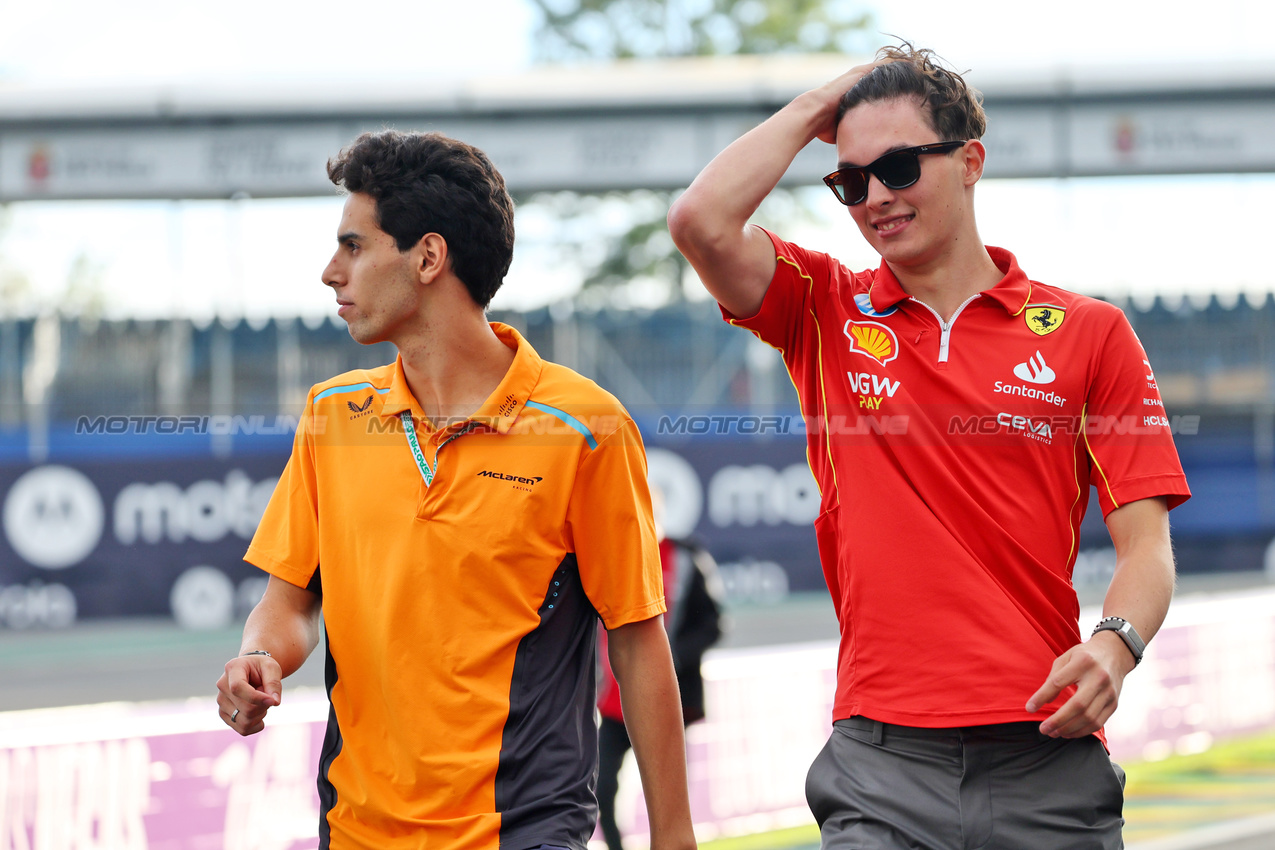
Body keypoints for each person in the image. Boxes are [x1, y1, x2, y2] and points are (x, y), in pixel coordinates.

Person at [667, 43, 1190, 850]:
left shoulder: (1092, 334)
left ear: (969, 160)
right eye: (849, 181)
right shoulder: (822, 308)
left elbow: (1145, 546)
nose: (874, 197)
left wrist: (1114, 646)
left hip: (1044, 755)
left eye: (900, 167)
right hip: (878, 763)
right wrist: (822, 103)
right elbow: (699, 221)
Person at [215, 130, 697, 850]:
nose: (328, 272)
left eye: (352, 246)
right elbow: (288, 603)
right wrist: (257, 656)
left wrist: (674, 839)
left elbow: (635, 640)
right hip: (353, 832)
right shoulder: (329, 415)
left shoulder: (585, 427)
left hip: (525, 829)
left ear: (428, 257)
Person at [595, 489, 723, 850]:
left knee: (669, 803)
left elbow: (713, 623)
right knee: (601, 789)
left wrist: (672, 658)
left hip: (668, 699)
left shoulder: (686, 558)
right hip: (612, 705)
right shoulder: (608, 555)